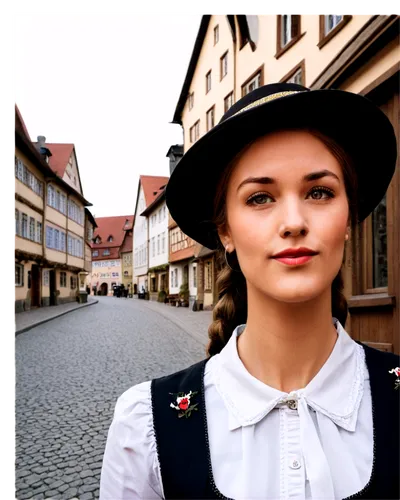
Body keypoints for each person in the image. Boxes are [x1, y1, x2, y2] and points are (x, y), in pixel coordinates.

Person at [99, 83, 399, 499]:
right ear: (226, 231)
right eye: (260, 198)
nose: (293, 221)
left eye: (319, 192)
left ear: (348, 217)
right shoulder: (146, 427)